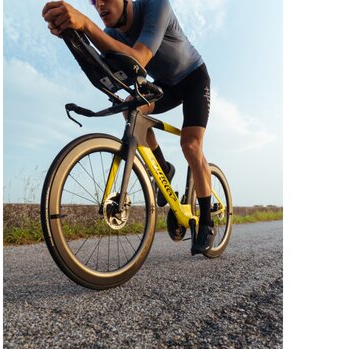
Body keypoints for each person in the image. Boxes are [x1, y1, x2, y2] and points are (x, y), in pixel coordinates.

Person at [42, 0, 216, 254]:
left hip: (193, 78)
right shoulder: (112, 34)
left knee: (190, 145)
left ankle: (207, 222)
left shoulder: (156, 5)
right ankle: (163, 169)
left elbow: (140, 59)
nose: (99, 5)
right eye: (93, 2)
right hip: (165, 84)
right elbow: (107, 75)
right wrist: (71, 35)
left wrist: (86, 24)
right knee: (130, 108)